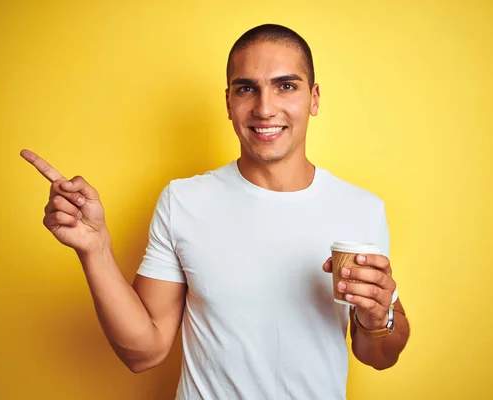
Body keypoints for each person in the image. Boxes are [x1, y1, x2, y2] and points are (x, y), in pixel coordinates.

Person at [21, 24, 410, 400]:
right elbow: (144, 351)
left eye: (285, 86)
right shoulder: (183, 201)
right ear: (228, 102)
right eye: (246, 89)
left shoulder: (360, 208)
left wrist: (379, 320)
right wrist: (96, 249)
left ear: (314, 98)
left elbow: (377, 355)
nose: (265, 107)